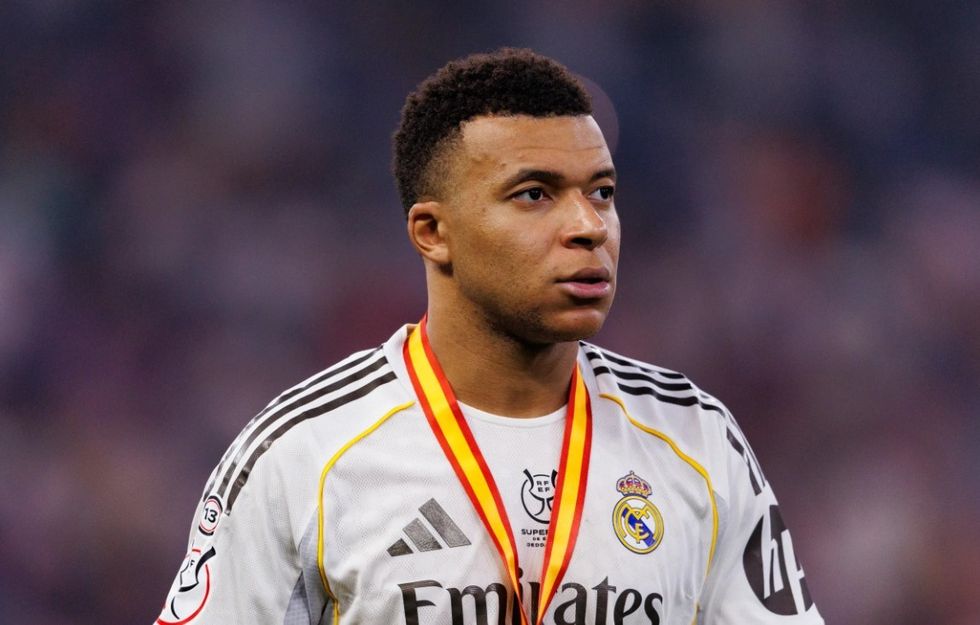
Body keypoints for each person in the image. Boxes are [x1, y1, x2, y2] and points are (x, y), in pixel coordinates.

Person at [156, 48, 823, 625]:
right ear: (433, 233)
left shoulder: (696, 438)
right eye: (535, 194)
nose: (588, 226)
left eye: (601, 192)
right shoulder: (304, 454)